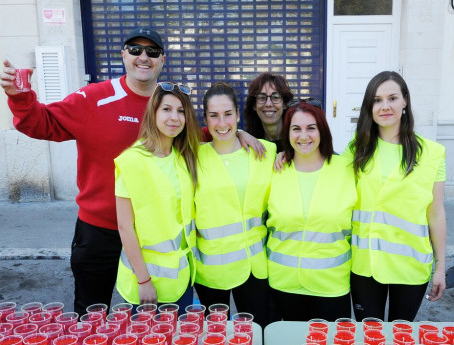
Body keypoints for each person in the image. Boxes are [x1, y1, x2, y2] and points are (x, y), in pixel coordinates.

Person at [0, 27, 261, 317]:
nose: (143, 57)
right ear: (123, 54)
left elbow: (200, 136)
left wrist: (236, 133)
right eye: (135, 49)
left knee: (154, 320)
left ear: (162, 60)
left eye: (151, 51)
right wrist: (20, 97)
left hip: (152, 240)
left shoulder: (170, 107)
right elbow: (40, 123)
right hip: (101, 229)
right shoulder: (94, 98)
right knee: (91, 314)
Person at [344, 71, 447, 322]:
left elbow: (436, 213)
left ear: (405, 101)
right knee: (369, 341)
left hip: (410, 267)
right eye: (377, 100)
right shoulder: (356, 149)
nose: (385, 106)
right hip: (365, 266)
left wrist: (440, 267)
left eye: (392, 98)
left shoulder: (432, 153)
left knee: (401, 339)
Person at [194, 82, 276, 328]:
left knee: (259, 334)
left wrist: (242, 134)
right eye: (214, 116)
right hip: (211, 270)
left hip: (255, 267)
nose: (222, 123)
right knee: (216, 338)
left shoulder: (266, 152)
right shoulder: (192, 156)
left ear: (238, 115)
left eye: (228, 114)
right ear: (205, 119)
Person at [266, 98, 357, 321]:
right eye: (296, 129)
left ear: (322, 131)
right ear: (287, 133)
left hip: (331, 286)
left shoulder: (347, 168)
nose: (303, 136)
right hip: (283, 285)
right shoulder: (273, 170)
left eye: (311, 128)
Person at [114, 82, 199, 311]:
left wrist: (241, 133)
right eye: (167, 109)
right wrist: (144, 281)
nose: (175, 117)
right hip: (144, 285)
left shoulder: (183, 156)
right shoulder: (132, 161)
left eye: (181, 111)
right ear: (153, 112)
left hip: (181, 281)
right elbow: (125, 227)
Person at [243, 72, 294, 151]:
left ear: (284, 104)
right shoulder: (249, 143)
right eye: (262, 98)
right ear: (254, 105)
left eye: (275, 97)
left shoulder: (296, 140)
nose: (268, 104)